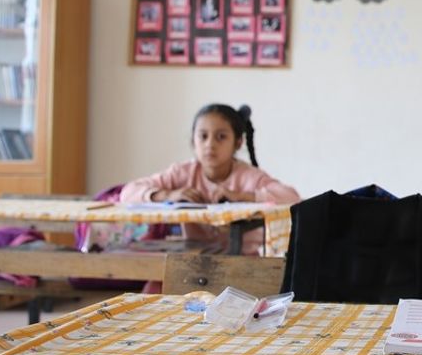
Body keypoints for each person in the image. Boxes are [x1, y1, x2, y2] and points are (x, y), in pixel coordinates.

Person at [120, 103, 300, 254]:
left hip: (243, 262)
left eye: (221, 137)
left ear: (237, 142)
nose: (210, 145)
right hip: (193, 260)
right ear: (193, 141)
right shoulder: (182, 173)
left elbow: (292, 198)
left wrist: (242, 196)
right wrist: (167, 195)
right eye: (203, 136)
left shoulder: (248, 176)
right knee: (152, 290)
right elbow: (128, 193)